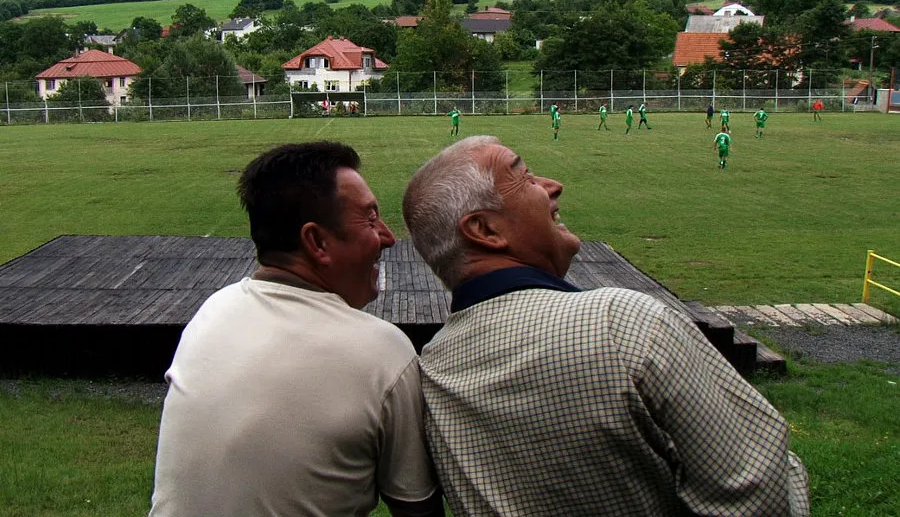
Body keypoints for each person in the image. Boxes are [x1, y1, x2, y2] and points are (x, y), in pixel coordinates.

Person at [402, 135, 808, 517]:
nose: (553, 186)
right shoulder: (622, 323)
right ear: (485, 230)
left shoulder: (429, 376)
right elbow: (762, 494)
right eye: (524, 176)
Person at [149, 142, 443, 517]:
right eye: (370, 219)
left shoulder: (213, 311)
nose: (388, 237)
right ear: (317, 241)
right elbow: (417, 509)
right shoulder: (382, 351)